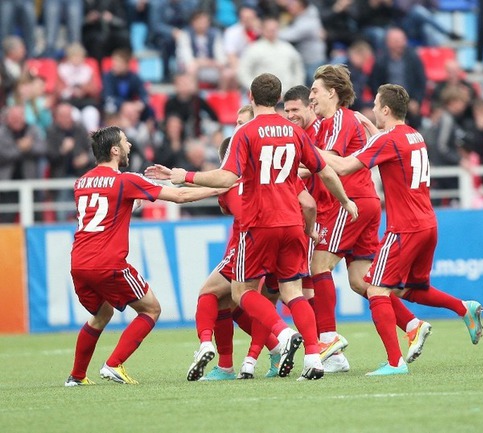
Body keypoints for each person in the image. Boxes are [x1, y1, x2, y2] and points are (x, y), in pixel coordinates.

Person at [163, 73, 357, 380]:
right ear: (278, 99)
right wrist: (345, 200)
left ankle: (282, 334)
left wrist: (185, 175)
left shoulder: (246, 132)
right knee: (292, 291)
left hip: (259, 224)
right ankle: (313, 357)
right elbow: (325, 171)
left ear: (251, 98)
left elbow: (227, 177)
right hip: (292, 222)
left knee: (241, 291)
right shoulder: (295, 132)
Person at [320, 84, 483, 376]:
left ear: (385, 109)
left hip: (404, 228)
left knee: (376, 289)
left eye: (376, 105)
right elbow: (387, 148)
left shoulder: (388, 140)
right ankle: (463, 308)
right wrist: (373, 130)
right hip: (428, 223)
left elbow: (344, 166)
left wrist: (309, 149)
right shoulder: (413, 135)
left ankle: (395, 362)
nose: (372, 109)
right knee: (410, 289)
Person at [64, 125, 227, 386]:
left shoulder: (81, 182)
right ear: (115, 150)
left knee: (101, 315)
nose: (129, 145)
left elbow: (102, 211)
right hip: (107, 262)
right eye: (125, 142)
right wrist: (220, 189)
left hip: (79, 263)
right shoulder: (126, 180)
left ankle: (76, 376)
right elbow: (179, 196)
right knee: (151, 309)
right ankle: (114, 364)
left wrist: (132, 202)